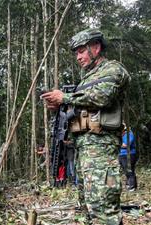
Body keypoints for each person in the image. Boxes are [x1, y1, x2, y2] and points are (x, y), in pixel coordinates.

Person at [41, 28, 130, 225]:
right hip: (83, 148)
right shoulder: (85, 80)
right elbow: (80, 110)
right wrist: (58, 106)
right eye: (76, 53)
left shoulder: (112, 69)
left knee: (103, 208)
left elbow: (103, 96)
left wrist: (64, 97)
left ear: (96, 47)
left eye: (81, 51)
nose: (78, 57)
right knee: (88, 207)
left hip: (101, 148)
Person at [119, 124, 138, 191]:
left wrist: (116, 143)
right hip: (121, 154)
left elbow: (126, 145)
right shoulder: (121, 134)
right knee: (125, 170)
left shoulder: (129, 134)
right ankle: (130, 184)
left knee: (129, 170)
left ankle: (132, 186)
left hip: (128, 154)